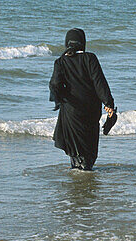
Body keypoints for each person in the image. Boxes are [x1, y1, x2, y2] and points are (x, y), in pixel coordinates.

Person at [49, 28, 115, 171]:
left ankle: (78, 175)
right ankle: (86, 173)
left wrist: (61, 98)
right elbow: (100, 83)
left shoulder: (61, 62)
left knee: (75, 150)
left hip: (71, 111)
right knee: (89, 147)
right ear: (83, 42)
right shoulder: (90, 58)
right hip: (90, 110)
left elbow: (55, 84)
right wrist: (109, 103)